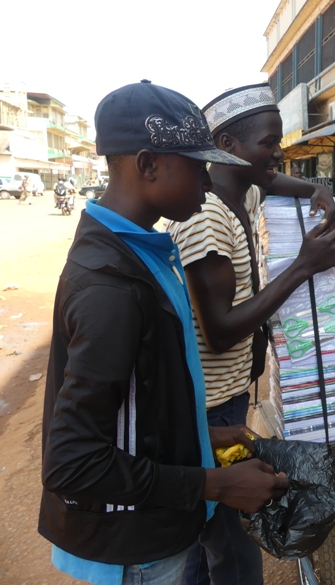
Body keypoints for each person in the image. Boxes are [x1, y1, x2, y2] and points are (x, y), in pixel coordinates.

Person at [38, 80, 290, 585]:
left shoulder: (141, 253)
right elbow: (72, 464)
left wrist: (202, 435)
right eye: (197, 166)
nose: (207, 180)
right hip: (134, 546)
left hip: (154, 527)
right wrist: (213, 485)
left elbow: (140, 395)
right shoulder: (111, 286)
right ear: (148, 165)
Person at [168, 83, 335, 585]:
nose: (278, 152)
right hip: (208, 406)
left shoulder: (238, 190)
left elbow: (270, 183)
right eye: (269, 142)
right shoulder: (205, 218)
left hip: (225, 397)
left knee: (206, 542)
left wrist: (317, 189)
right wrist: (302, 266)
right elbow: (222, 330)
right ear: (227, 147)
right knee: (234, 550)